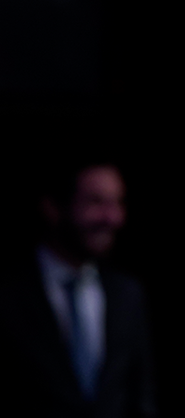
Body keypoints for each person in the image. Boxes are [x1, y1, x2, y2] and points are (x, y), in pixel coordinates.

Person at [0, 153, 157, 418]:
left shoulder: (127, 295)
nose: (113, 218)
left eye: (118, 203)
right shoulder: (8, 295)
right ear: (53, 207)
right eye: (96, 202)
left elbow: (142, 398)